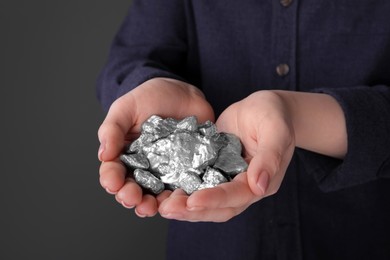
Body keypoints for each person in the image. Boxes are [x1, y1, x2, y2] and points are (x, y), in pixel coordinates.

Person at [96, 1, 390, 259]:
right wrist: (145, 85)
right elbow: (130, 56)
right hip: (211, 246)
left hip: (361, 239)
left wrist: (297, 115)